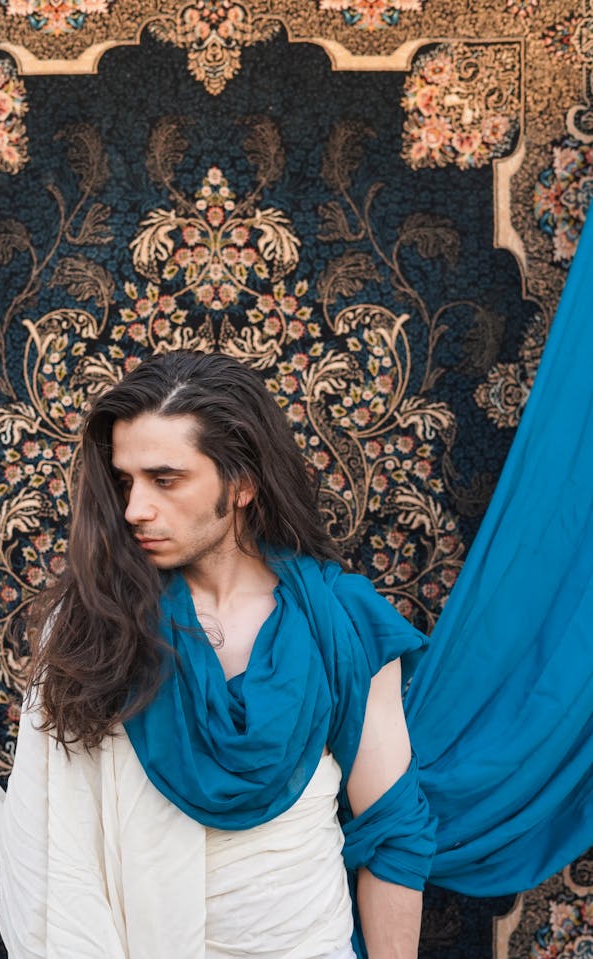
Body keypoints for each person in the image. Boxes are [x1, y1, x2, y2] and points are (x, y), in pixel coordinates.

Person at [23, 348, 435, 959]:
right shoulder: (90, 628)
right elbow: (56, 849)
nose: (135, 508)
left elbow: (392, 829)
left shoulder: (340, 618)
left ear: (242, 482)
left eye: (165, 480)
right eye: (124, 482)